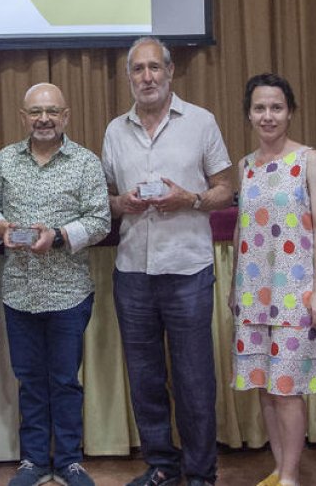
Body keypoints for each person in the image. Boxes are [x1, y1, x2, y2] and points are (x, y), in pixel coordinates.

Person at [101, 37, 234, 486]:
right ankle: (161, 464)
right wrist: (122, 203)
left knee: (195, 380)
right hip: (133, 273)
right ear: (129, 78)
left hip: (187, 270)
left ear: (171, 72)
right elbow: (104, 199)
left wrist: (190, 198)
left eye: (154, 67)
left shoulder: (201, 122)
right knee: (144, 379)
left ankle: (200, 472)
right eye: (137, 70)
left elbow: (225, 188)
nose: (147, 77)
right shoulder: (115, 130)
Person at [0, 82, 110, 486]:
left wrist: (56, 235)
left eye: (52, 111)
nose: (43, 119)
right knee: (30, 380)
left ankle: (70, 460)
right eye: (36, 112)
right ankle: (35, 461)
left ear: (65, 116)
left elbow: (99, 220)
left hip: (68, 292)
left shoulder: (85, 163)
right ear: (23, 117)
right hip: (20, 291)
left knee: (64, 381)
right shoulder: (5, 161)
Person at [231, 74, 316, 486]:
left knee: (289, 388)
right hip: (254, 293)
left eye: (276, 107)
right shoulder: (245, 166)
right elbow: (241, 228)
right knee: (265, 387)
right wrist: (235, 288)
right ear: (249, 114)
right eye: (259, 108)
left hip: (296, 292)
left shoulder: (310, 159)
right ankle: (279, 469)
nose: (267, 116)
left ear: (290, 111)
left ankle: (290, 475)